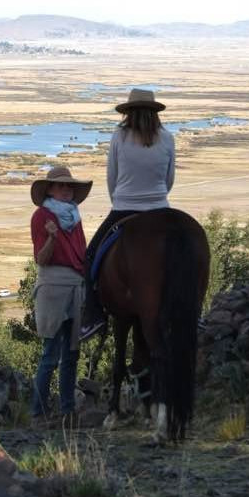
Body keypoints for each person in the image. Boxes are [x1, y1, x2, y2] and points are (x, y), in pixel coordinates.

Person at [80, 88, 175, 340]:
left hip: (124, 207)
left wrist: (120, 202)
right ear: (155, 113)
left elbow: (112, 177)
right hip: (160, 208)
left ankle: (93, 316)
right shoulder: (167, 138)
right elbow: (169, 180)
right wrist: (156, 198)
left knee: (89, 258)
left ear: (128, 113)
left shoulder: (119, 137)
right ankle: (192, 313)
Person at [30, 165, 92, 421]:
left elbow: (82, 253)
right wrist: (52, 238)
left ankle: (67, 412)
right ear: (50, 189)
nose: (66, 189)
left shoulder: (74, 217)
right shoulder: (41, 216)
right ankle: (38, 413)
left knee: (72, 355)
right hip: (54, 286)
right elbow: (41, 259)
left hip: (75, 285)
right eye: (61, 185)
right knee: (50, 355)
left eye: (70, 186)